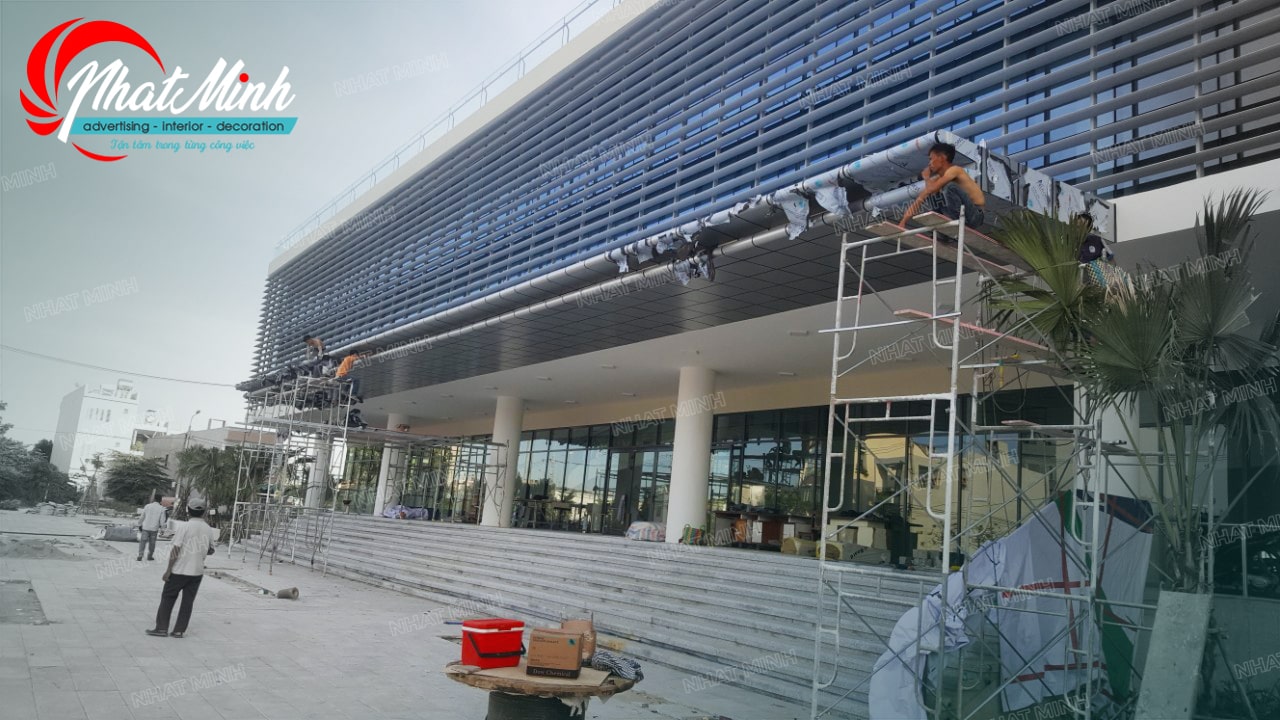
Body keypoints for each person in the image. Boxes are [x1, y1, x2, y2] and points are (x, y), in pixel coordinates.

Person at [146, 499, 218, 638]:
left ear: (188, 511)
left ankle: (161, 628)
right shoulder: (208, 529)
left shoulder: (184, 527)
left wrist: (168, 570)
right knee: (187, 602)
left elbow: (176, 549)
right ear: (204, 512)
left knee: (168, 598)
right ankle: (179, 631)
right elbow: (211, 550)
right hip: (197, 572)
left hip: (179, 571)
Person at [899, 142, 986, 231]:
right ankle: (943, 226)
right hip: (961, 215)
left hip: (975, 216)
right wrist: (903, 221)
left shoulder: (955, 170)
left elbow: (932, 188)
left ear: (942, 158)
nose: (929, 164)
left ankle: (955, 222)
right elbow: (918, 201)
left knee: (949, 187)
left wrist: (927, 178)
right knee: (931, 193)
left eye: (931, 159)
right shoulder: (938, 179)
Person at [136, 495, 167, 561]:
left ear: (154, 499)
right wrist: (163, 529)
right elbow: (162, 521)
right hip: (154, 529)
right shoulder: (161, 508)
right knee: (152, 543)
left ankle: (140, 555)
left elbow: (142, 517)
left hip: (145, 527)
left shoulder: (147, 506)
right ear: (160, 501)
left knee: (143, 542)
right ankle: (150, 556)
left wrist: (139, 524)